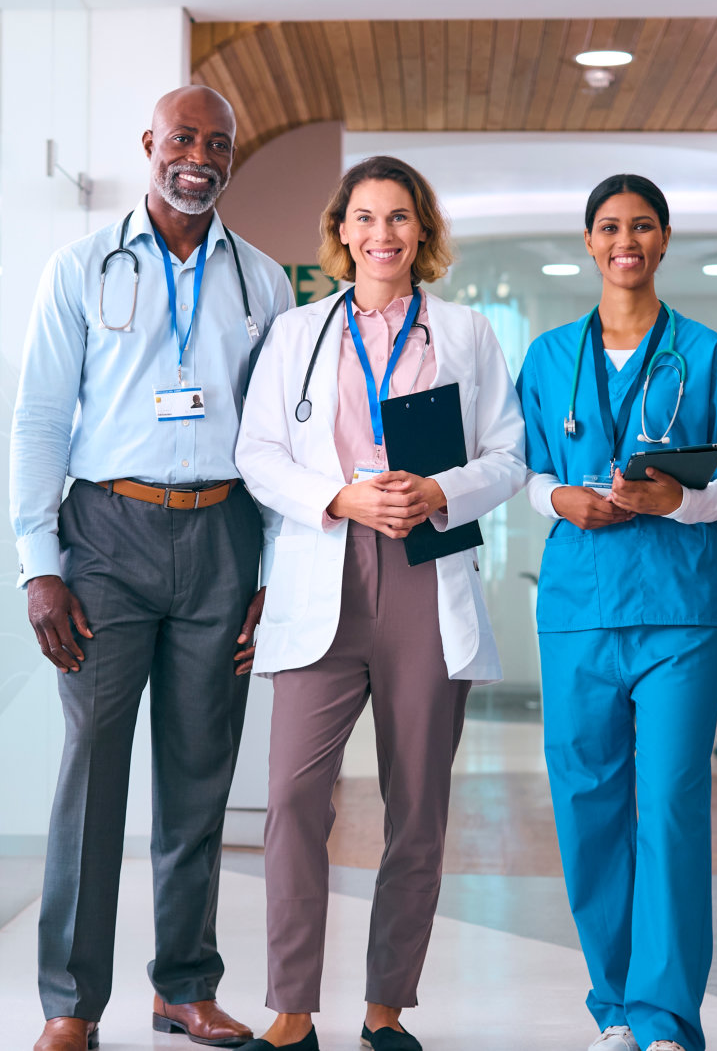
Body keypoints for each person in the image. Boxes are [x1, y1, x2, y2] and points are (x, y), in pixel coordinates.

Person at [10, 85, 296, 1051]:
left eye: (219, 143)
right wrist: (36, 563)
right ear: (150, 144)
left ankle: (185, 986)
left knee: (200, 777)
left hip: (222, 538)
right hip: (104, 539)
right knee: (92, 769)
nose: (201, 157)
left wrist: (276, 572)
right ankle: (70, 1004)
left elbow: (276, 441)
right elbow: (42, 419)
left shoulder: (264, 284)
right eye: (184, 138)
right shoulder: (83, 267)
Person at [233, 156, 527, 1051]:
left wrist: (440, 492)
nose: (383, 234)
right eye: (365, 218)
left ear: (421, 231)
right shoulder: (297, 334)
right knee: (292, 797)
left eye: (399, 217)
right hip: (325, 568)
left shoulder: (469, 334)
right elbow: (258, 454)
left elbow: (509, 458)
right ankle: (291, 1009)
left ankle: (386, 1007)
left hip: (424, 574)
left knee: (418, 807)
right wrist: (341, 498)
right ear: (342, 231)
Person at [513, 175, 717, 1051]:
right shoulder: (546, 358)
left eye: (643, 226)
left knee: (673, 807)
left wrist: (673, 505)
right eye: (610, 227)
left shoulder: (709, 353)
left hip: (680, 611)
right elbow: (524, 467)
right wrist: (556, 502)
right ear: (589, 243)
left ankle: (664, 1018)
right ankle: (614, 1007)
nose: (627, 240)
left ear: (664, 241)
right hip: (578, 608)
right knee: (587, 809)